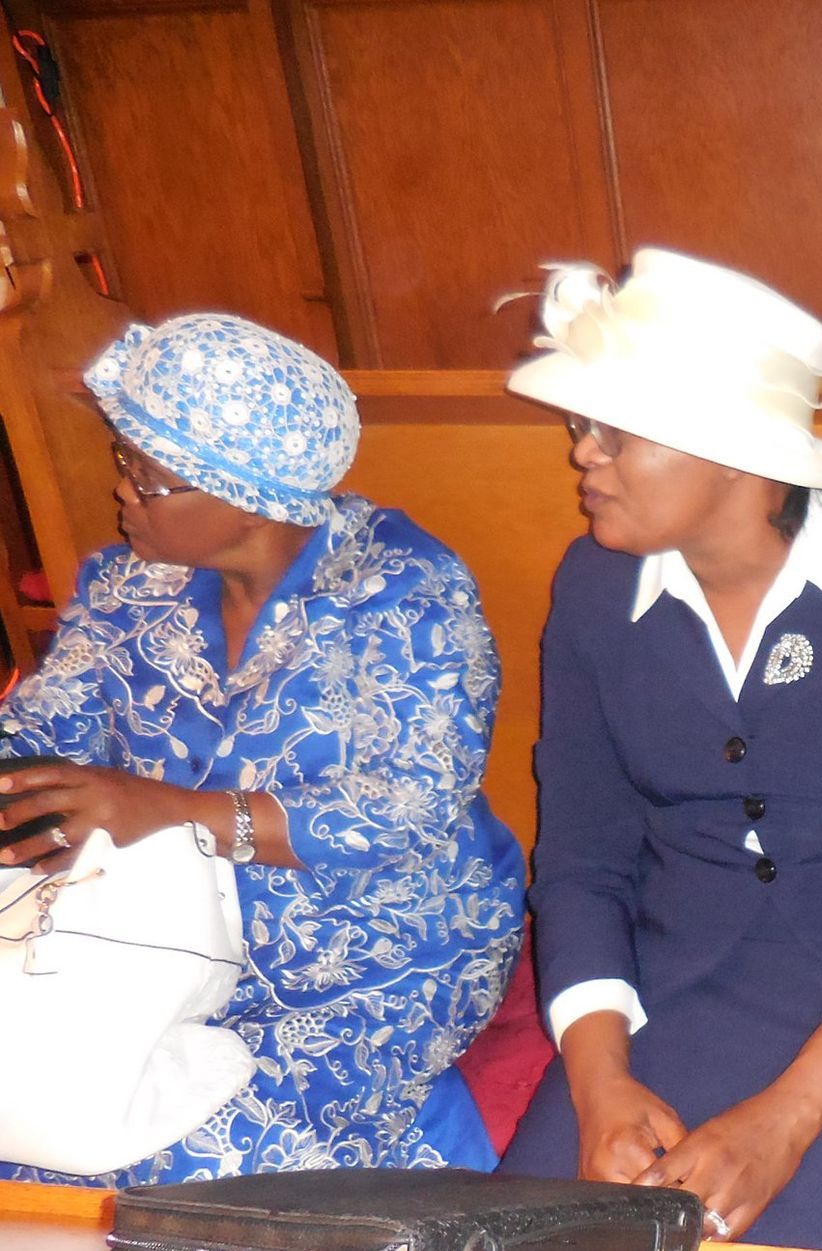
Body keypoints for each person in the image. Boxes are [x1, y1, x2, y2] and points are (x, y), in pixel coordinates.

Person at [495, 249, 822, 1251]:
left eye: (612, 430)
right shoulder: (596, 588)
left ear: (732, 448)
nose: (581, 457)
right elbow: (583, 860)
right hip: (664, 978)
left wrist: (792, 1116)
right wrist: (600, 1084)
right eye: (580, 426)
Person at [0, 314, 524, 1184]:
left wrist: (174, 814)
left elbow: (409, 808)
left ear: (246, 499)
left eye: (148, 476)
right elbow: (45, 734)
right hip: (146, 922)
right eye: (125, 462)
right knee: (43, 1120)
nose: (121, 490)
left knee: (173, 1166)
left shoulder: (401, 592)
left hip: (369, 933)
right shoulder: (129, 584)